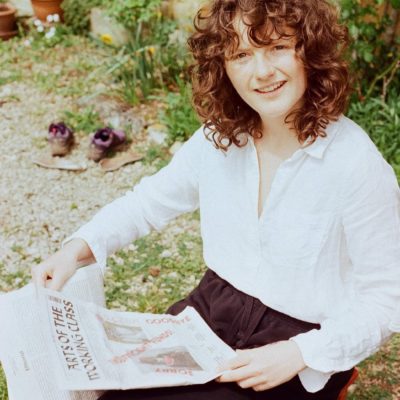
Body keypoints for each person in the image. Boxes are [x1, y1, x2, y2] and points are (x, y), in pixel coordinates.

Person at [32, 0, 400, 399]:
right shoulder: (219, 138)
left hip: (298, 340)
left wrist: (301, 352)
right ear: (222, 66)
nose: (262, 71)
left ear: (310, 51)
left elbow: (386, 298)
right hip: (212, 310)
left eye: (278, 47)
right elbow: (147, 203)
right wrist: (76, 248)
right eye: (241, 55)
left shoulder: (355, 164)